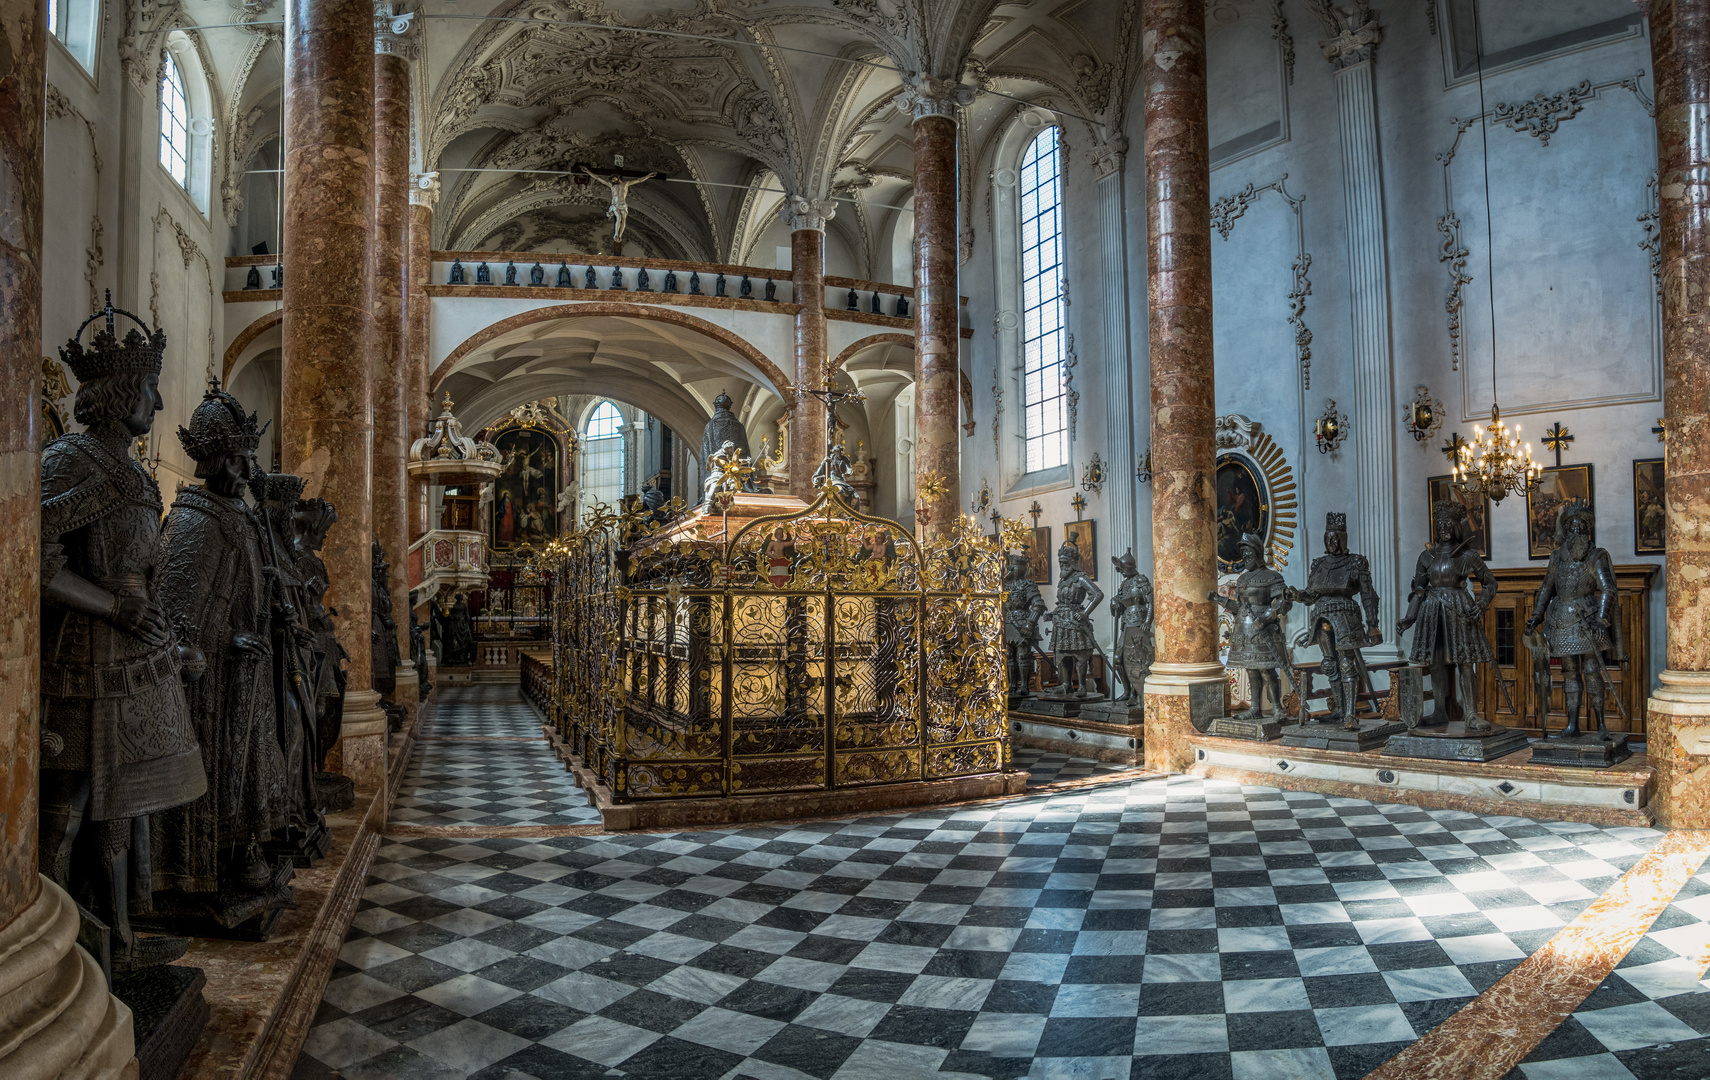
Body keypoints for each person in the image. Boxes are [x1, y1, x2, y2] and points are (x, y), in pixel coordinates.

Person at [39, 299, 207, 972]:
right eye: (146, 388)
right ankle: (60, 948)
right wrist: (112, 610)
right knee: (70, 805)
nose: (158, 400)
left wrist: (166, 639)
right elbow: (29, 551)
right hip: (82, 658)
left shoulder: (133, 469)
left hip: (134, 656)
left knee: (124, 805)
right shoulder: (69, 460)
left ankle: (120, 937)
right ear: (114, 394)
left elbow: (142, 570)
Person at [153, 382, 293, 928]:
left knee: (254, 765)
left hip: (248, 675)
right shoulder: (193, 520)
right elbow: (175, 611)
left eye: (246, 456)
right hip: (212, 682)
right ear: (211, 459)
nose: (244, 469)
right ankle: (210, 867)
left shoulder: (234, 515)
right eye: (235, 457)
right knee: (224, 771)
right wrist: (228, 640)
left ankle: (245, 852)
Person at [1398, 501, 1498, 731]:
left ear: (1456, 525)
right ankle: (1439, 711)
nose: (1443, 527)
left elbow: (1490, 583)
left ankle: (1471, 713)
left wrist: (1482, 603)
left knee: (1465, 661)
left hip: (1458, 607)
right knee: (1435, 663)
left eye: (1448, 523)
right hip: (1432, 610)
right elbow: (1419, 590)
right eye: (1440, 523)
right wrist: (1409, 617)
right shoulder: (1426, 556)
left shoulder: (1468, 555)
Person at [1527, 501, 1620, 739]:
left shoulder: (1595, 556)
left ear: (1588, 531)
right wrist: (1537, 615)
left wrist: (1601, 619)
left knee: (1591, 671)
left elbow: (1608, 589)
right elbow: (1547, 588)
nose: (1577, 532)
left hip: (1586, 618)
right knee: (1569, 672)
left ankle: (1601, 725)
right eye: (1573, 528)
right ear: (1566, 531)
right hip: (1559, 619)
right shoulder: (1557, 557)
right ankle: (1572, 726)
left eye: (1582, 527)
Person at [1289, 512, 1380, 729]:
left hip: (1346, 616)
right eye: (1328, 537)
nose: (1332, 542)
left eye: (1336, 538)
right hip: (1321, 618)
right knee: (1330, 664)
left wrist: (1373, 624)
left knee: (1347, 663)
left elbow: (1368, 594)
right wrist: (1297, 595)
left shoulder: (1356, 562)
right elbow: (1312, 595)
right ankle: (1339, 709)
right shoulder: (1319, 563)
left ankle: (1350, 714)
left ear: (1343, 538)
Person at [1211, 534, 1291, 720]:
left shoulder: (1272, 576)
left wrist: (1266, 618)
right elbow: (1240, 607)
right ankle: (1255, 708)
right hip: (1244, 628)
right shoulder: (1243, 579)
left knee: (1266, 669)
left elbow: (1282, 602)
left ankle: (1277, 708)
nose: (1245, 557)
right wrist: (1220, 599)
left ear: (1257, 553)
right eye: (1243, 553)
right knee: (1251, 668)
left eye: (1248, 553)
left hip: (1264, 628)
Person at [1045, 542, 1104, 696]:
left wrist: (1085, 613)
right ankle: (1066, 685)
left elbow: (1097, 594)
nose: (1062, 566)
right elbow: (1062, 603)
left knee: (1080, 655)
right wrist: (1052, 613)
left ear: (1072, 563)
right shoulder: (1063, 581)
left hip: (1076, 621)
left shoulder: (1081, 578)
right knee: (1063, 654)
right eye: (1061, 563)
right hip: (1061, 621)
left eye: (1065, 563)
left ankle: (1082, 686)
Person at [1108, 550, 1154, 703]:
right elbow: (1120, 606)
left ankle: (1137, 692)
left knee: (1138, 658)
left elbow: (1151, 601)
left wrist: (1148, 621)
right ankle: (1128, 691)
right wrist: (1114, 603)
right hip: (1126, 624)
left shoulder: (1141, 580)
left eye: (1121, 569)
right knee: (1118, 659)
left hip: (1139, 624)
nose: (1120, 572)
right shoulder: (1124, 584)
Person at [1004, 551, 1047, 699]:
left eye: (1016, 567)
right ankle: (1011, 686)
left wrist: (1029, 624)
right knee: (1009, 655)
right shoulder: (1005, 585)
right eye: (1012, 566)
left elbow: (1038, 605)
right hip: (1008, 622)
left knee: (1022, 655)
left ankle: (1024, 686)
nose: (1013, 569)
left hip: (1022, 622)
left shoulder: (1028, 585)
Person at [578, 167, 657, 243]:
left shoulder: (626, 184)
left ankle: (620, 235)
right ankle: (616, 234)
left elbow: (639, 180)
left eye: (613, 179)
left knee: (623, 220)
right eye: (612, 180)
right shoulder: (612, 186)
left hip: (623, 204)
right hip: (615, 204)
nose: (612, 180)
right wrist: (588, 172)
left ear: (617, 177)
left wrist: (648, 176)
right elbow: (598, 178)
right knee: (618, 218)